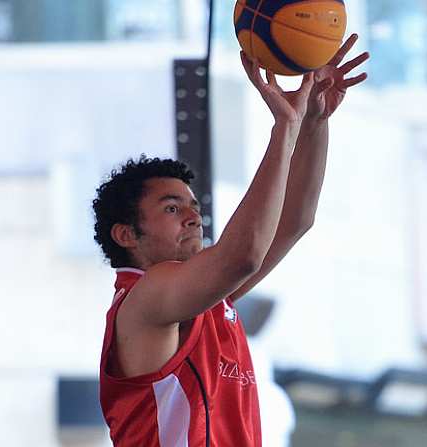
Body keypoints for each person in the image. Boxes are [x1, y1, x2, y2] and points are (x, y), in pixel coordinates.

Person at [92, 35, 369, 446]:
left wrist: (313, 121)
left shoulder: (201, 298)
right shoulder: (146, 298)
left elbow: (294, 220)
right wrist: (284, 129)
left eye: (191, 204)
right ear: (126, 234)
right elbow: (244, 256)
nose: (193, 215)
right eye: (172, 208)